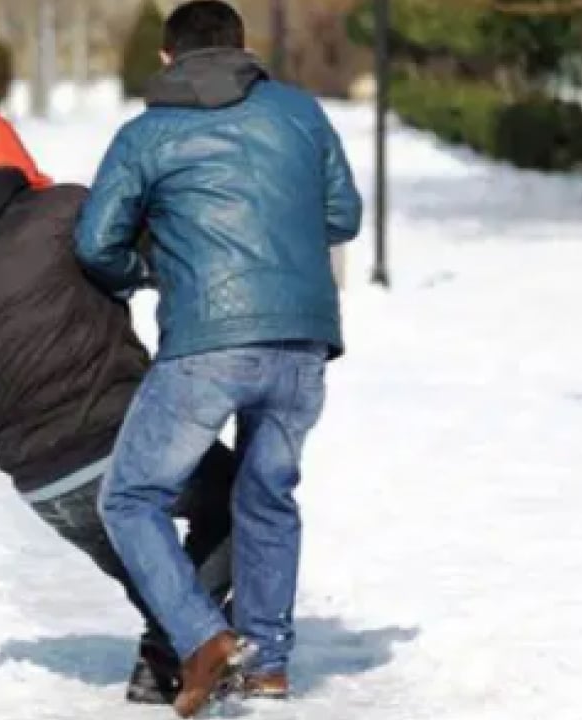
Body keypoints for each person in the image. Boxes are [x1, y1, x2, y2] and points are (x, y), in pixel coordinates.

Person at [74, 2, 363, 716]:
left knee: (131, 496)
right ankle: (265, 662)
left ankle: (201, 637)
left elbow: (94, 243)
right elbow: (344, 215)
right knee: (268, 494)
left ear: (166, 58)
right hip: (302, 339)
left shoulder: (145, 134)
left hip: (206, 342)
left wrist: (148, 267)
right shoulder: (299, 113)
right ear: (245, 48)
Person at [0, 113, 238, 705]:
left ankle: (168, 659)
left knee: (157, 580)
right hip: (129, 438)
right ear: (18, 165)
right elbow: (164, 257)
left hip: (46, 483)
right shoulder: (67, 212)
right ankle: (173, 648)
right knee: (242, 499)